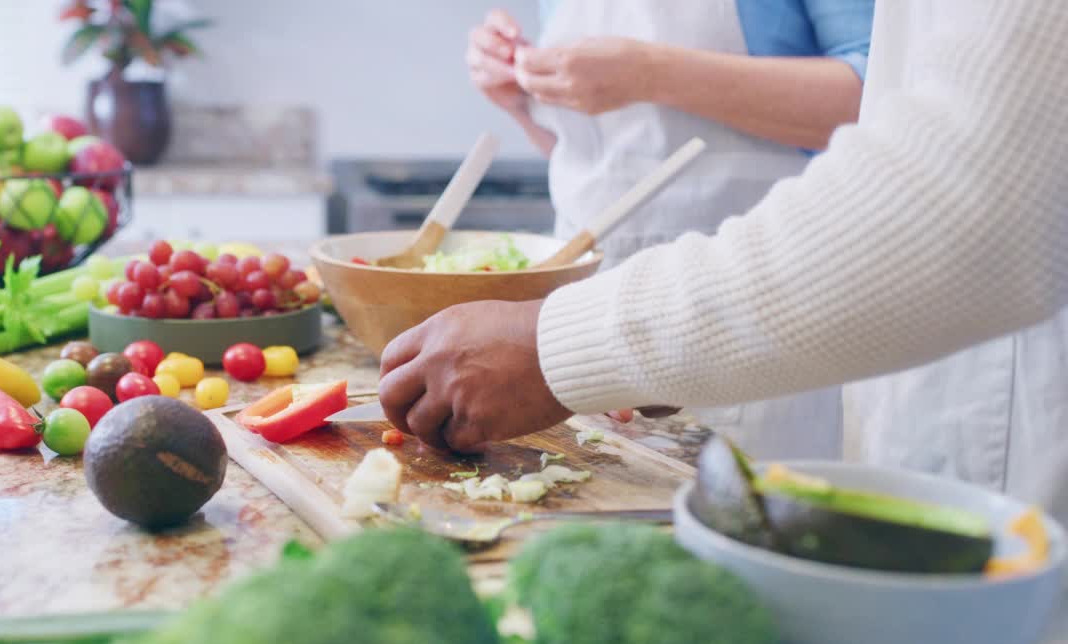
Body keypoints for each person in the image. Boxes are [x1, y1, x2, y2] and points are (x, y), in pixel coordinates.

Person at [380, 1, 1068, 523]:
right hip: (641, 326)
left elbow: (945, 175)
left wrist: (562, 343)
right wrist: (527, 104)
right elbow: (602, 163)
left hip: (765, 325)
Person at [464, 1, 874, 460]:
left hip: (744, 310)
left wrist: (649, 74)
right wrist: (523, 101)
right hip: (584, 315)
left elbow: (876, 102)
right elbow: (598, 163)